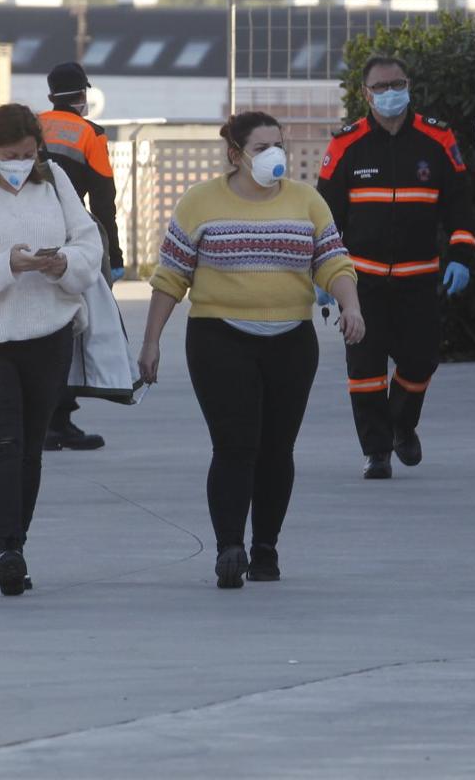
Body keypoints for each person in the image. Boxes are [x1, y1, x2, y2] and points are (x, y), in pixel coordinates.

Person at [137, 112, 362, 589]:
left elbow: (333, 260)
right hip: (220, 337)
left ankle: (266, 549)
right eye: (262, 148)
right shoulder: (200, 203)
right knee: (236, 445)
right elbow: (171, 275)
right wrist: (151, 340)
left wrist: (351, 306)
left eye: (278, 144)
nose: (274, 155)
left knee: (277, 450)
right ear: (235, 155)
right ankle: (229, 548)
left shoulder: (306, 202)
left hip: (291, 340)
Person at [0, 104, 104, 595]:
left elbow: (89, 246)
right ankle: (6, 546)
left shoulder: (54, 184)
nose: (21, 163)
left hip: (46, 332)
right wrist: (5, 265)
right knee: (2, 443)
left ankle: (19, 545)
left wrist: (62, 264)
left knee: (30, 449)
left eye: (29, 154)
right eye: (11, 156)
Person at [317, 55, 475, 479]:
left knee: (421, 361)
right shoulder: (345, 145)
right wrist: (323, 272)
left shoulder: (437, 139)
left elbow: (460, 205)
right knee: (365, 371)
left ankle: (402, 426)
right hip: (360, 282)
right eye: (382, 87)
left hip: (419, 278)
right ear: (366, 94)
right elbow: (325, 216)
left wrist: (462, 256)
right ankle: (377, 452)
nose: (392, 93)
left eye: (398, 83)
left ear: (409, 86)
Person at [39, 61, 125, 451]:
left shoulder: (32, 124)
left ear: (50, 95)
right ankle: (58, 421)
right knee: (76, 327)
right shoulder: (92, 134)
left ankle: (47, 419)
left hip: (32, 234)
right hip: (73, 239)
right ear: (83, 96)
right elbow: (105, 203)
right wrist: (116, 257)